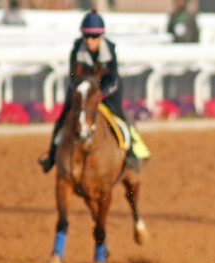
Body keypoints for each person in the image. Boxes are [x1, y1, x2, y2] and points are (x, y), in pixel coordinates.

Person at [38, 10, 140, 173]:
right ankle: (51, 156)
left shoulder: (110, 50)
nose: (89, 41)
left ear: (101, 37)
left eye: (94, 37)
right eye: (86, 36)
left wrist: (100, 94)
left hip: (107, 91)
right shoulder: (76, 50)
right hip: (83, 91)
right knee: (63, 116)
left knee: (119, 116)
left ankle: (130, 153)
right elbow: (72, 78)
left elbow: (114, 79)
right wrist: (80, 94)